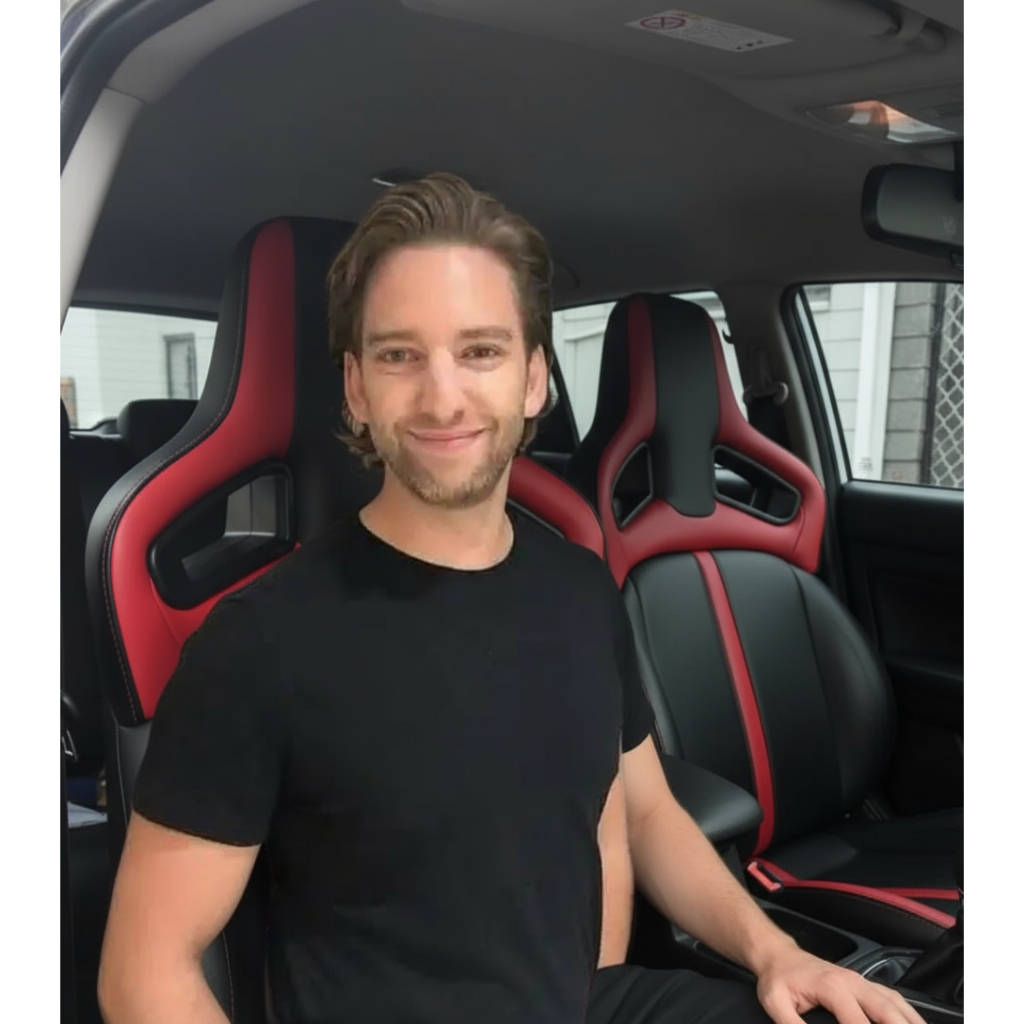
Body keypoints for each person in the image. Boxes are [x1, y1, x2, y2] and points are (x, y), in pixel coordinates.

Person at [97, 174, 925, 1024]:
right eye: (399, 355)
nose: (442, 397)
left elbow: (646, 813)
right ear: (355, 388)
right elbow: (143, 975)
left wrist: (776, 953)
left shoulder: (580, 588)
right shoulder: (260, 643)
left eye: (480, 351)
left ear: (533, 380)